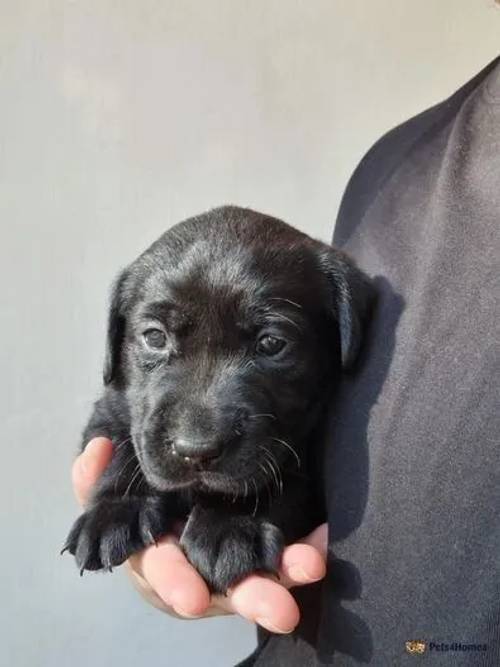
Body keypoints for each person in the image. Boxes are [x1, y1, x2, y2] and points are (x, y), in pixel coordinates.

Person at [71, 57, 500, 665]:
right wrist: (122, 497)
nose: (195, 432)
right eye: (156, 340)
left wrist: (256, 505)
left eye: (269, 343)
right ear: (116, 340)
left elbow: (323, 432)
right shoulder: (391, 169)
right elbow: (115, 412)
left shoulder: (339, 281)